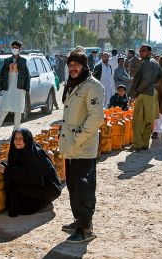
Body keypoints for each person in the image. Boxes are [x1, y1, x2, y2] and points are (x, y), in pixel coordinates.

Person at [59, 51, 104, 243]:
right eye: (70, 64)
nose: (72, 68)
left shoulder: (93, 87)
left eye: (76, 64)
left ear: (84, 66)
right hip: (71, 147)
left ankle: (86, 228)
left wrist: (77, 138)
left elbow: (96, 118)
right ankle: (79, 220)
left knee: (84, 188)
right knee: (73, 186)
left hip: (83, 147)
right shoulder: (73, 85)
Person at [0, 128, 61, 217]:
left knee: (18, 191)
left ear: (27, 139)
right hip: (35, 182)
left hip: (49, 188)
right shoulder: (17, 150)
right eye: (16, 138)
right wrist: (3, 166)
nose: (18, 141)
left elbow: (35, 178)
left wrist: (7, 170)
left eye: (21, 138)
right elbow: (18, 168)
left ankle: (44, 203)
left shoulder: (34, 154)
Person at [0, 41, 30, 137]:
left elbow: (26, 76)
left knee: (18, 111)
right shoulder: (7, 60)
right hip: (8, 88)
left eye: (16, 47)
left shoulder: (24, 61)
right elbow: (2, 74)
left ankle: (16, 131)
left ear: (19, 49)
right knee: (2, 109)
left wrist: (17, 71)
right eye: (13, 47)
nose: (14, 49)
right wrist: (9, 70)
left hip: (19, 89)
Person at [128, 44, 162, 152]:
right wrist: (153, 84)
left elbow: (145, 79)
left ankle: (137, 145)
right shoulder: (154, 62)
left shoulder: (147, 63)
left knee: (138, 121)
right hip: (152, 93)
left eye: (143, 51)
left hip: (144, 94)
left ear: (149, 52)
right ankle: (145, 144)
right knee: (148, 120)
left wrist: (138, 91)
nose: (141, 53)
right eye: (140, 51)